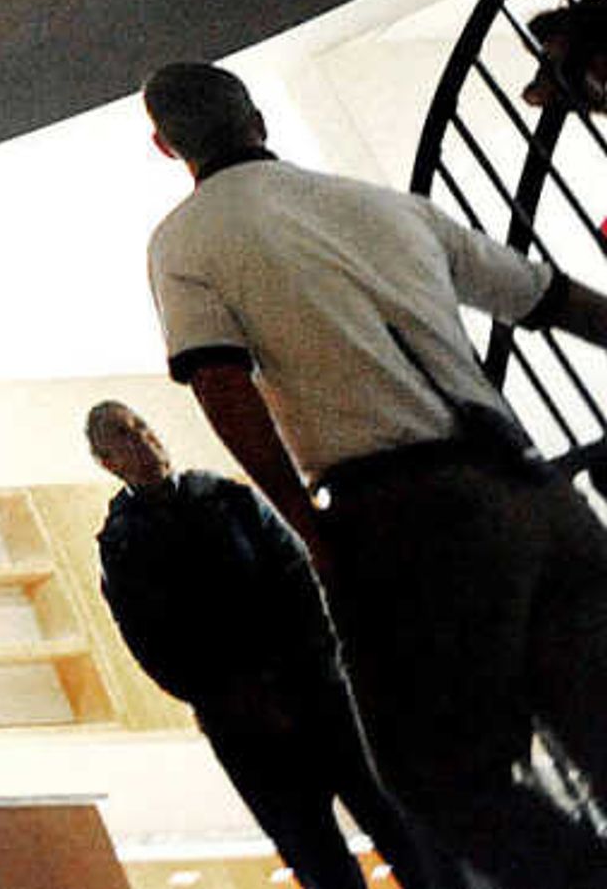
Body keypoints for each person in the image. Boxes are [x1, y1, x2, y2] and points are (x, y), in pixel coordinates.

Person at [142, 57, 607, 883]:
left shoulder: (187, 241)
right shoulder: (383, 206)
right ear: (259, 118)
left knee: (436, 777)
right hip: (536, 494)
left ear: (163, 145)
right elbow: (551, 298)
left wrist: (309, 528)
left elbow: (221, 383)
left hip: (406, 517)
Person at [84, 398, 433, 889]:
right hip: (243, 725)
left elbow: (299, 579)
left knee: (396, 825)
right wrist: (231, 696)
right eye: (123, 435)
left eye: (142, 426)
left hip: (317, 694)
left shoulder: (228, 499)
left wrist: (306, 670)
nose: (142, 439)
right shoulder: (121, 546)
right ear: (108, 463)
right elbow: (151, 645)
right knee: (316, 856)